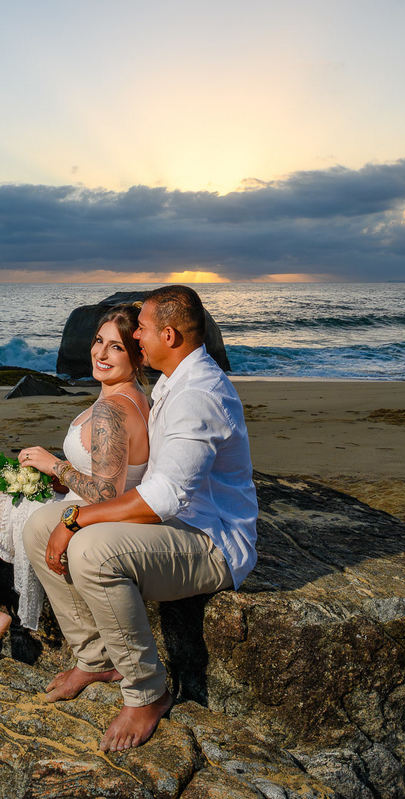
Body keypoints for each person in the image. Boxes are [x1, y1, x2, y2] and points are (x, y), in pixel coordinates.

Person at [22, 285, 258, 753]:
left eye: (143, 331)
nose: (137, 339)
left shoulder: (198, 395)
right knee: (38, 525)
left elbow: (162, 499)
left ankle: (148, 692)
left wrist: (77, 521)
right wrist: (67, 512)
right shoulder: (174, 379)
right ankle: (93, 658)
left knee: (88, 548)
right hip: (174, 526)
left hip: (212, 542)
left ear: (168, 335)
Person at [0, 304, 150, 662]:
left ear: (138, 355)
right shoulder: (130, 396)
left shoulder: (113, 410)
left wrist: (55, 466)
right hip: (76, 499)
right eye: (98, 341)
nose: (100, 353)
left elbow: (108, 494)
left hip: (84, 516)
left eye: (116, 347)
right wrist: (55, 478)